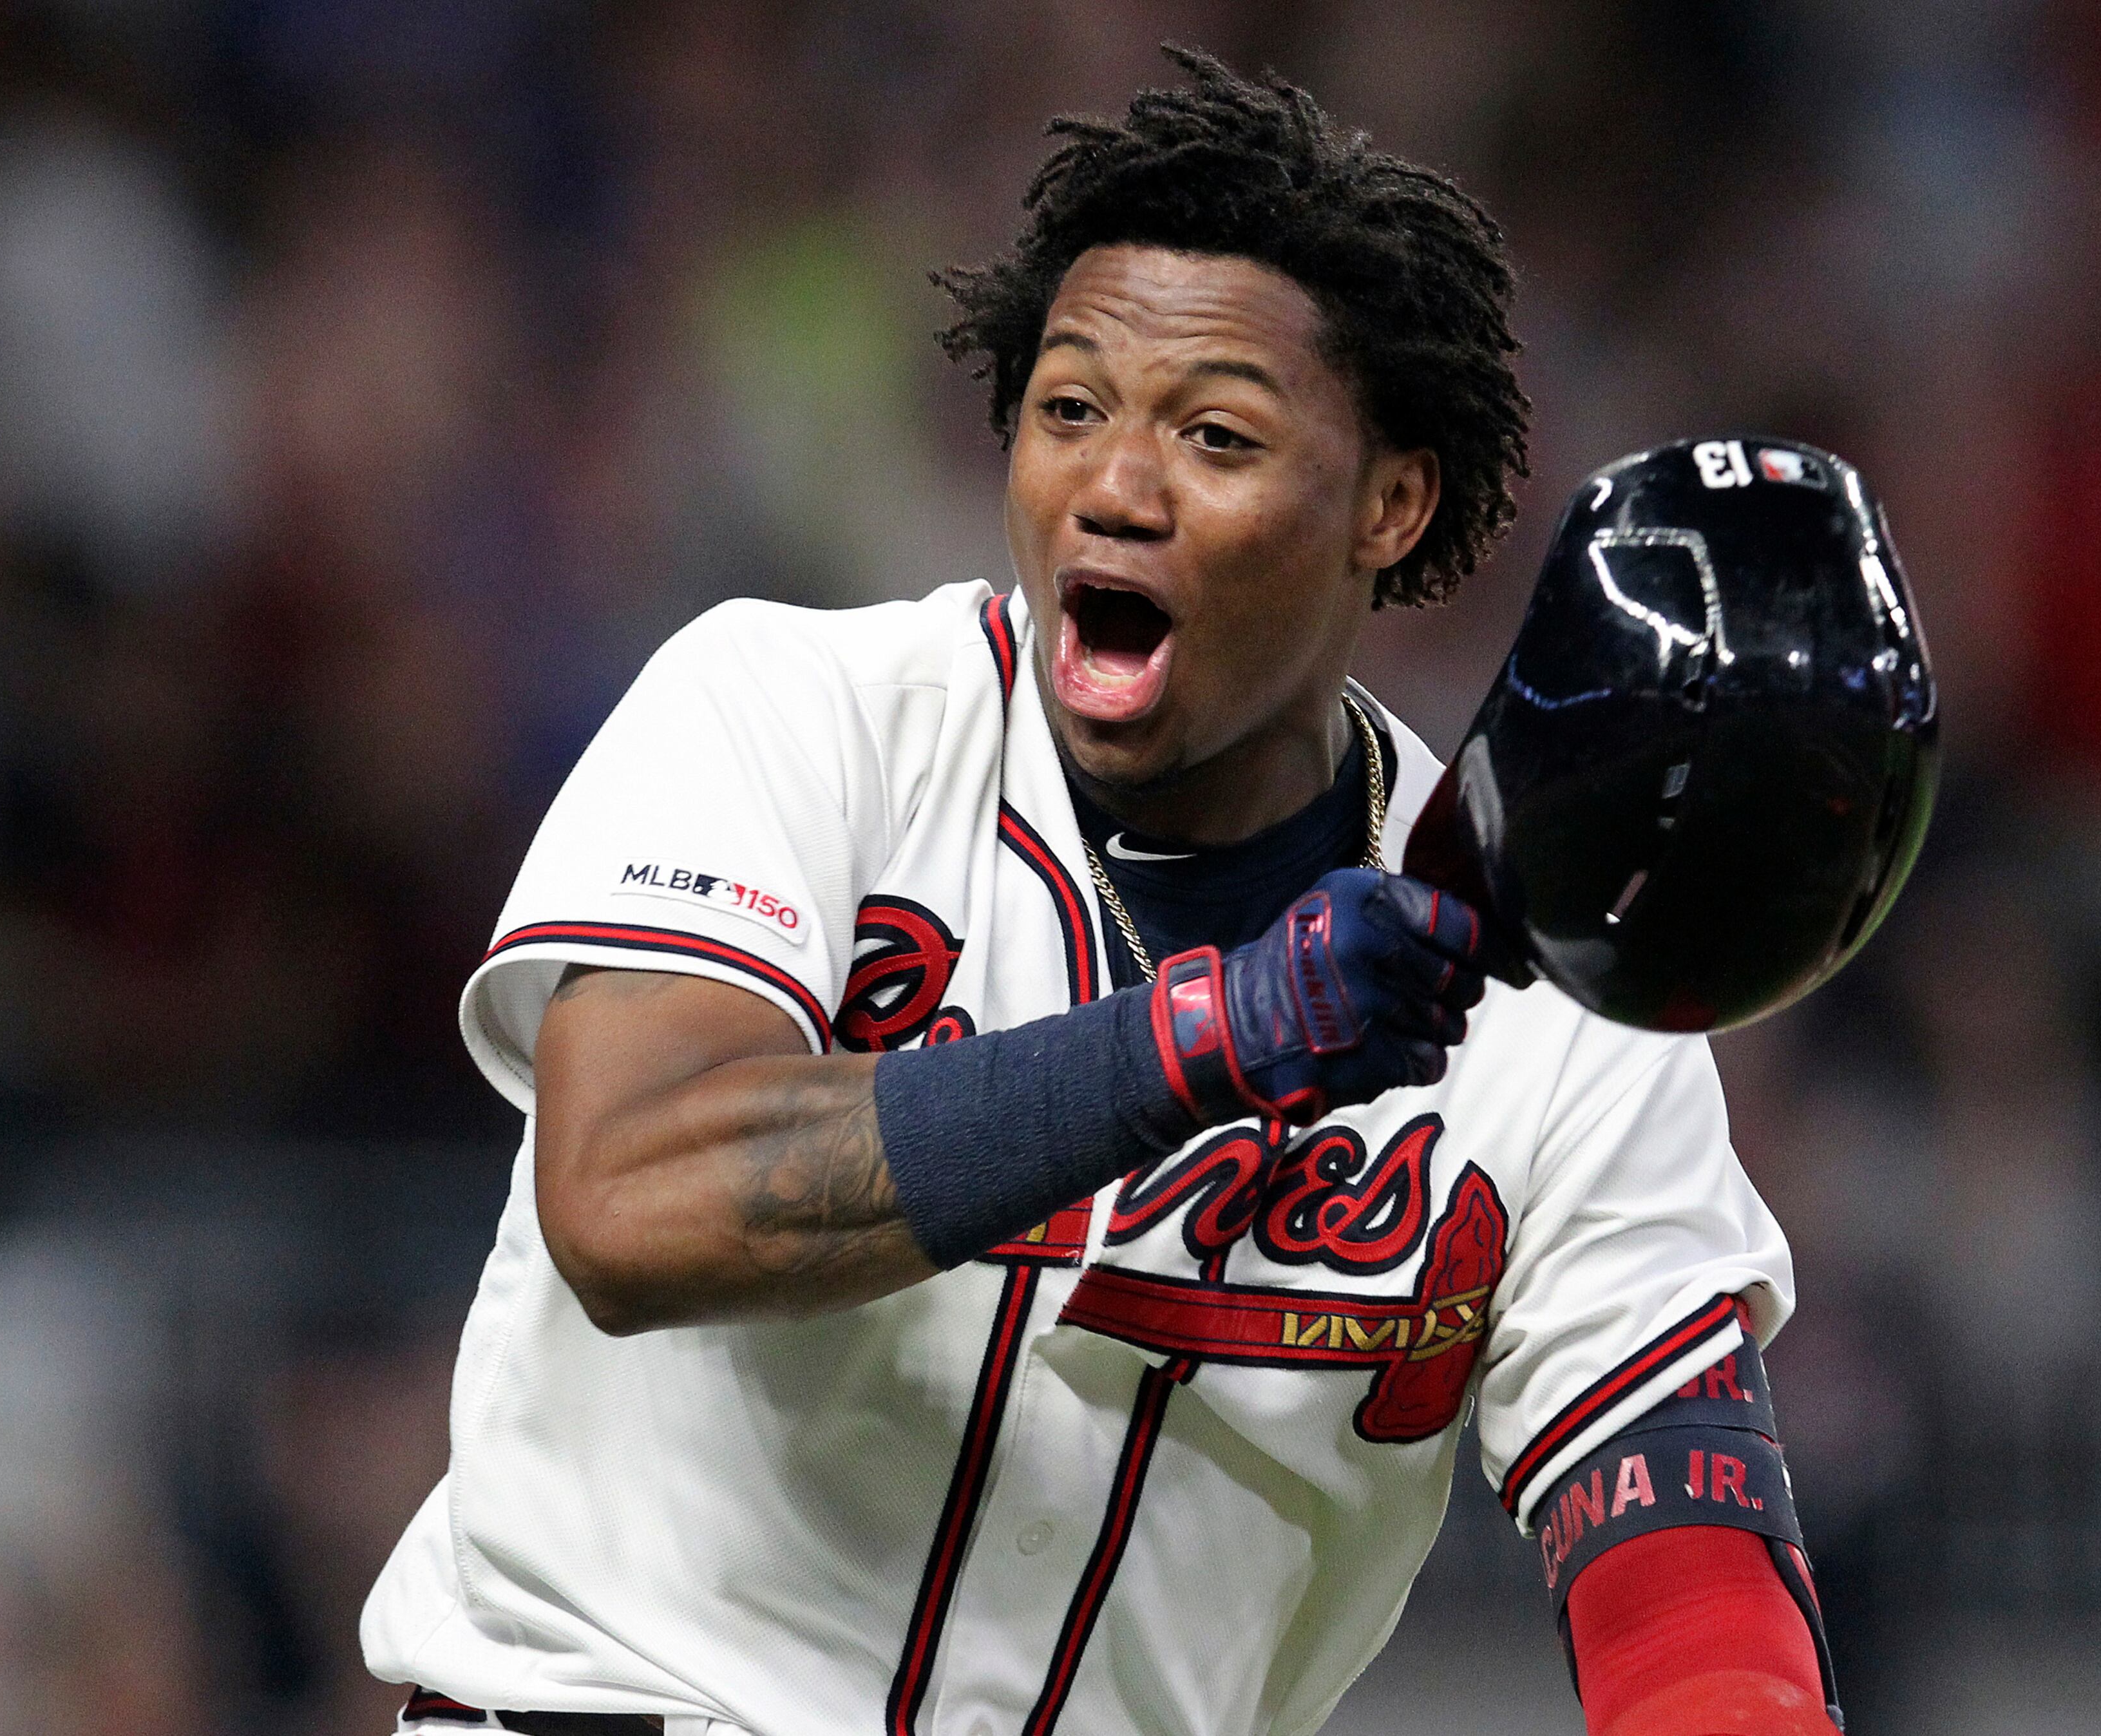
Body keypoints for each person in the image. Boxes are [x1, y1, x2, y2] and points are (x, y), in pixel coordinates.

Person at [363, 49, 1840, 1736]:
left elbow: (1693, 1587)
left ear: (1390, 502)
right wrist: (1203, 1041)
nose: (1115, 486)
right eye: (1070, 408)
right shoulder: (794, 718)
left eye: (1214, 434)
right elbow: (627, 1199)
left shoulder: (1551, 1009)